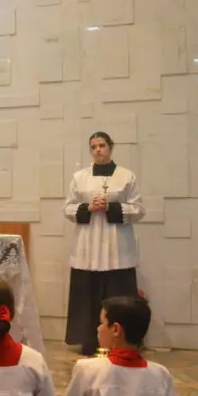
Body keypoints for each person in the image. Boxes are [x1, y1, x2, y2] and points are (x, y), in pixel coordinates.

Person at [64, 131, 144, 356]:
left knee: (119, 297)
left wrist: (112, 207)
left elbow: (138, 209)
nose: (98, 150)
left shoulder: (127, 176)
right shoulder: (79, 177)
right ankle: (89, 341)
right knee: (88, 296)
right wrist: (87, 208)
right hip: (88, 247)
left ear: (110, 147)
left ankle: (124, 343)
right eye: (94, 147)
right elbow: (68, 208)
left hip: (116, 247)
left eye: (102, 145)